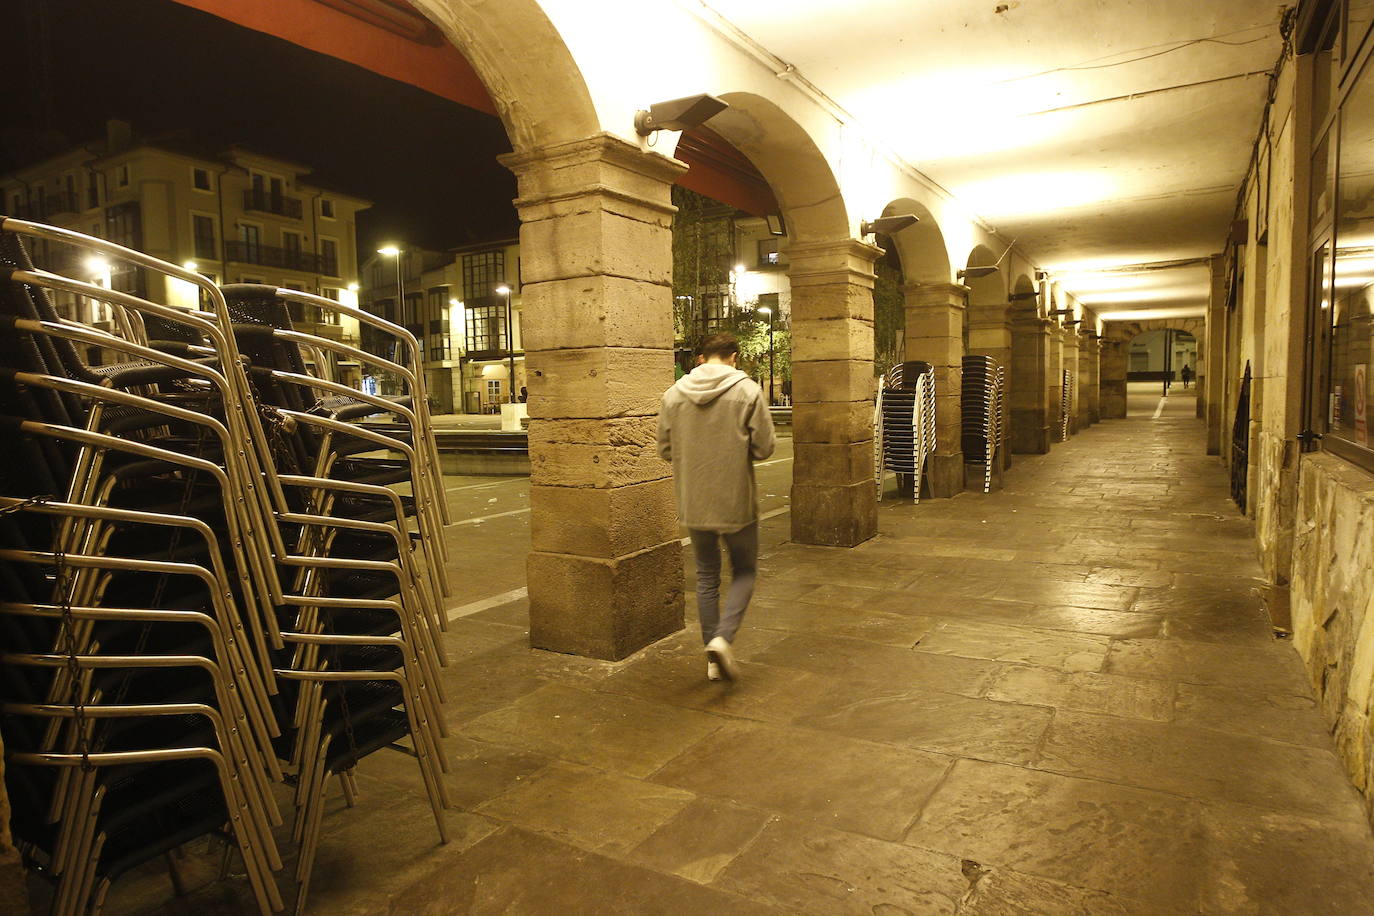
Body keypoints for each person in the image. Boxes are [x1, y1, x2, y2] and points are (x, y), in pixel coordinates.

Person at [657, 332, 775, 681]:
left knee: (707, 576)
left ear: (700, 359)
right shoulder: (748, 391)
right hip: (736, 500)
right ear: (734, 357)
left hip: (694, 500)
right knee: (744, 571)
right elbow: (765, 447)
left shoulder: (673, 395)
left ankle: (712, 658)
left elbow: (664, 449)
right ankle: (724, 638)